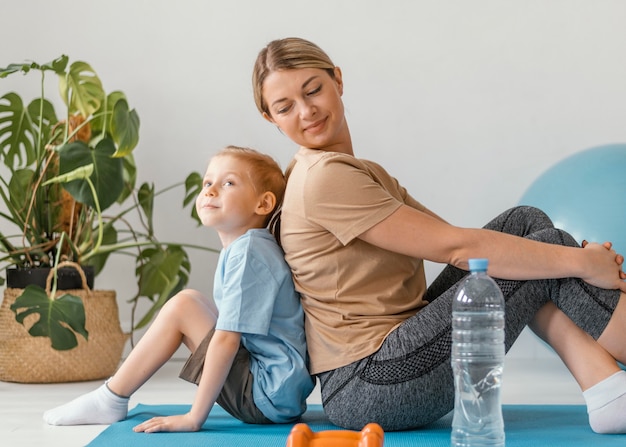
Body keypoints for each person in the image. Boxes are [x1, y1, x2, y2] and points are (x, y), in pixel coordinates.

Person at [252, 37, 626, 433]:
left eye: (313, 90)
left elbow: (453, 238)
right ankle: (609, 392)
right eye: (285, 106)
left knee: (523, 225)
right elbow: (458, 249)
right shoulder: (323, 178)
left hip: (395, 358)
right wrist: (587, 262)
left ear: (338, 81)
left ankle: (605, 387)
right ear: (270, 118)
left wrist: (574, 264)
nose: (307, 110)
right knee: (539, 253)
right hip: (372, 382)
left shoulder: (356, 170)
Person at [43, 145, 315, 432]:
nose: (210, 191)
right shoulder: (248, 246)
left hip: (265, 396)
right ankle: (111, 395)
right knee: (192, 301)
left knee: (184, 306)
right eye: (207, 183)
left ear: (263, 204)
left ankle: (111, 397)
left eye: (228, 183)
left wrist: (194, 417)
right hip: (278, 393)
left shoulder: (249, 252)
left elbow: (226, 340)